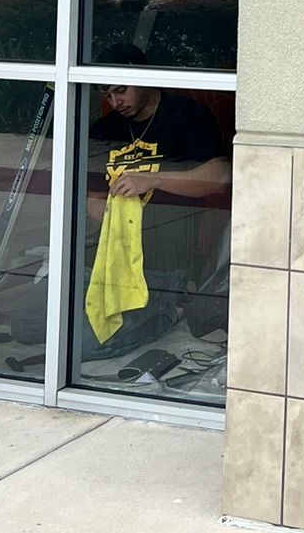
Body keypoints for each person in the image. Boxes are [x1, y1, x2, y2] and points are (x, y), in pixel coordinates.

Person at [82, 72, 231, 360]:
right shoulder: (106, 128)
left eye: (121, 90)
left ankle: (169, 311)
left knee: (85, 344)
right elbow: (92, 198)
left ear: (143, 79)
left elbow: (220, 176)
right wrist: (115, 218)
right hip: (109, 261)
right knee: (32, 326)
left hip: (164, 262)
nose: (115, 102)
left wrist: (153, 180)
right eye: (107, 94)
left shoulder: (185, 115)